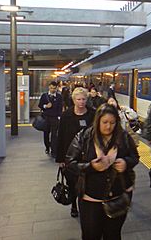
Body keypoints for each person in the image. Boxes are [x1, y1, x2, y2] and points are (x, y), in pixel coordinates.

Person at [66, 104, 140, 240]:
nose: (108, 126)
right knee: (91, 235)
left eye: (112, 123)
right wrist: (90, 167)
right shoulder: (84, 137)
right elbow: (70, 163)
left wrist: (126, 163)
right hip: (90, 199)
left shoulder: (123, 136)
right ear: (97, 121)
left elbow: (135, 157)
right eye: (104, 122)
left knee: (113, 234)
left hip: (118, 196)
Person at [56, 87, 95, 217]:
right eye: (79, 99)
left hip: (87, 155)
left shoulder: (92, 114)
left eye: (84, 99)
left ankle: (84, 205)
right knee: (71, 183)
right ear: (73, 100)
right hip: (70, 156)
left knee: (86, 183)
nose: (81, 102)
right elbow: (60, 136)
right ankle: (73, 205)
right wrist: (60, 159)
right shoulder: (66, 115)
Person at [38, 81, 63, 157]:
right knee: (46, 133)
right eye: (51, 88)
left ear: (56, 88)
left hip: (55, 118)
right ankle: (47, 147)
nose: (52, 90)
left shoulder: (59, 97)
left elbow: (60, 107)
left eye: (54, 88)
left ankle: (54, 151)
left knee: (54, 134)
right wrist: (45, 106)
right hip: (46, 117)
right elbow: (40, 105)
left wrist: (59, 116)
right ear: (49, 87)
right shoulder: (44, 96)